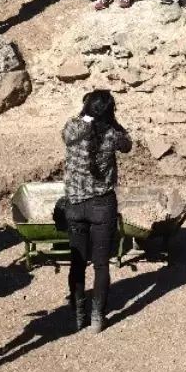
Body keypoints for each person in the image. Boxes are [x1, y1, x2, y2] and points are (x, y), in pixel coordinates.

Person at [63, 89, 131, 334]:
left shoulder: (72, 129)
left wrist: (89, 116)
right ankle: (97, 318)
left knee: (77, 262)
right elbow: (127, 145)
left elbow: (73, 133)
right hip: (102, 204)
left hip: (75, 204)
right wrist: (111, 120)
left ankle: (78, 314)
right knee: (101, 265)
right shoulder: (112, 134)